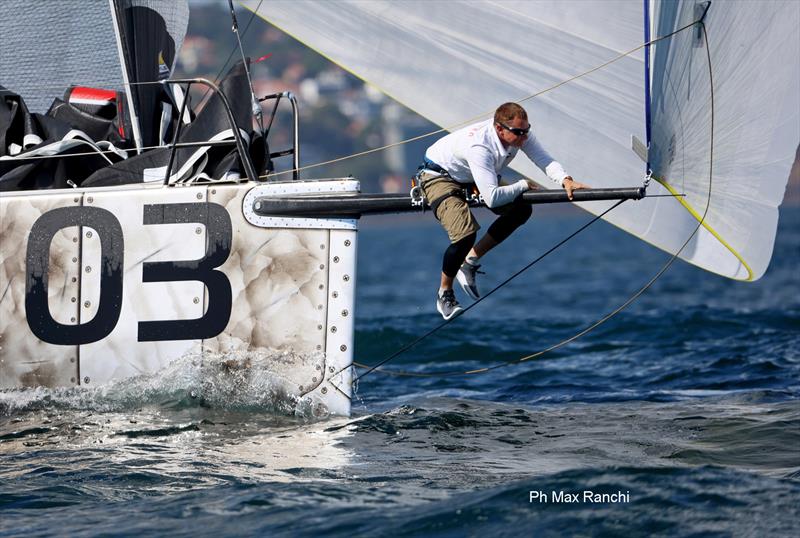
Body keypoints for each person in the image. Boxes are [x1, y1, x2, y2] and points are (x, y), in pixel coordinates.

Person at [418, 102, 589, 320]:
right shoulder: (480, 147)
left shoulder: (520, 133)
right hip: (439, 175)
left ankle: (469, 262)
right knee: (465, 235)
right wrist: (522, 185)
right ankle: (445, 293)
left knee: (521, 210)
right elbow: (492, 198)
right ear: (500, 129)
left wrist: (566, 180)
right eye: (519, 133)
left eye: (526, 131)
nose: (524, 137)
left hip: (471, 174)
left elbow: (542, 158)